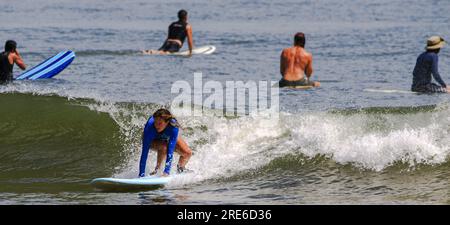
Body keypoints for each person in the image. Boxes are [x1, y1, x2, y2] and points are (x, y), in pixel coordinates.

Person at [139, 109, 193, 177]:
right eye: (155, 123)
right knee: (163, 146)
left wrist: (166, 172)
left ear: (167, 122)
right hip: (153, 139)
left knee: (187, 153)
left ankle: (180, 170)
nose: (157, 126)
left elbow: (170, 150)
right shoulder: (149, 127)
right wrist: (141, 174)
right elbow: (144, 154)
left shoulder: (173, 127)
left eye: (160, 123)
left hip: (166, 137)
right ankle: (157, 171)